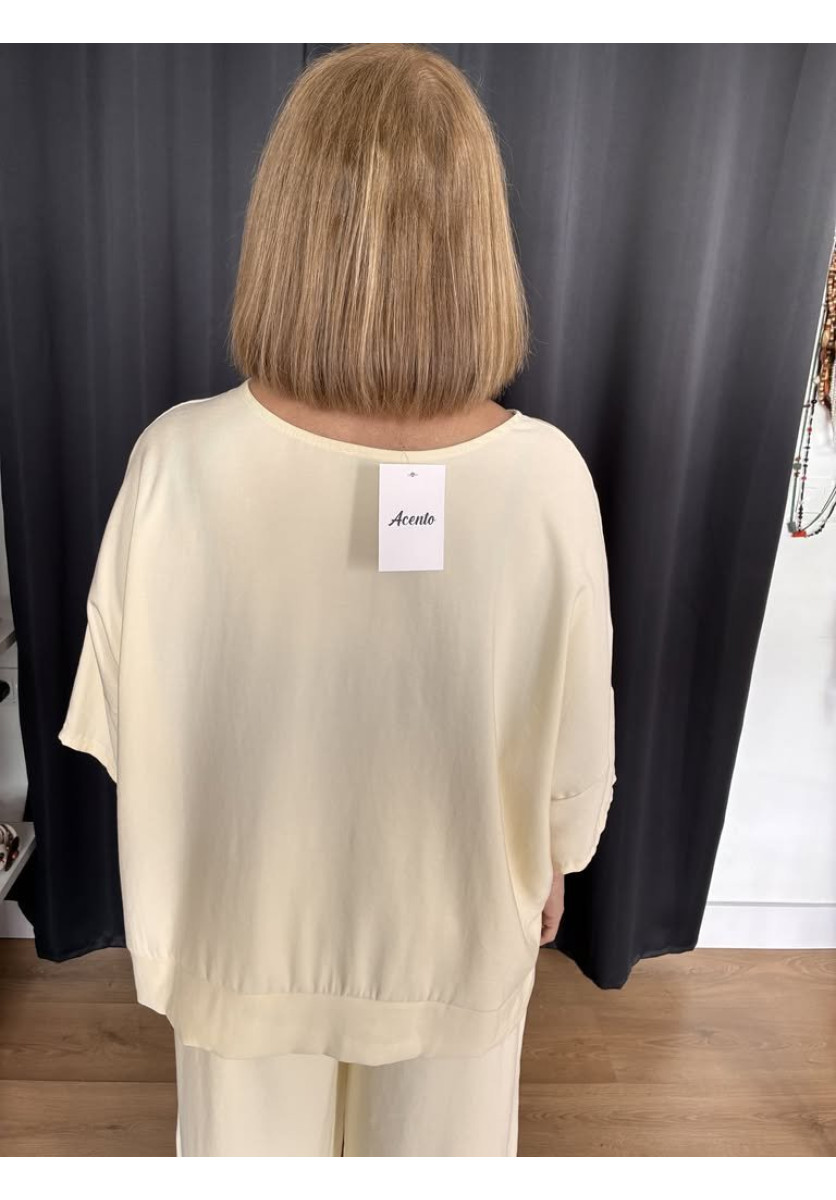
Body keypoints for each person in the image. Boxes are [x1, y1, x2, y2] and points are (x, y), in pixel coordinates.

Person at [58, 42, 616, 1157]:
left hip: (238, 931)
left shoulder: (178, 462)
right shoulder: (546, 478)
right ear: (476, 235)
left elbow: (126, 725)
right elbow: (572, 749)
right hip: (456, 933)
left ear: (285, 225)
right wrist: (557, 849)